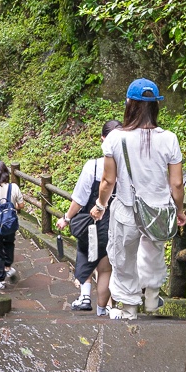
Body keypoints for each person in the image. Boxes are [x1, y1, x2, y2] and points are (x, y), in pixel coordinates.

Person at [90, 78, 185, 321]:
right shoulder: (169, 138)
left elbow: (108, 181)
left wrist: (100, 206)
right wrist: (180, 210)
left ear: (129, 104)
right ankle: (152, 297)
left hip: (127, 210)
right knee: (153, 253)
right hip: (159, 211)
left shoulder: (115, 138)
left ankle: (130, 307)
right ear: (155, 106)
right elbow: (176, 183)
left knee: (123, 256)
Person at [57, 120, 120, 315]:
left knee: (85, 255)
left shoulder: (92, 167)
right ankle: (102, 310)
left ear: (103, 139)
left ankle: (85, 296)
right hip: (115, 225)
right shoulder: (126, 169)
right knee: (105, 269)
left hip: (91, 224)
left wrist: (66, 218)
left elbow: (79, 199)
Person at [0, 161, 23, 289]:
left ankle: (0, 278)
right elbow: (21, 205)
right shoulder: (13, 187)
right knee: (9, 243)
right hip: (11, 223)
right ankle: (8, 266)